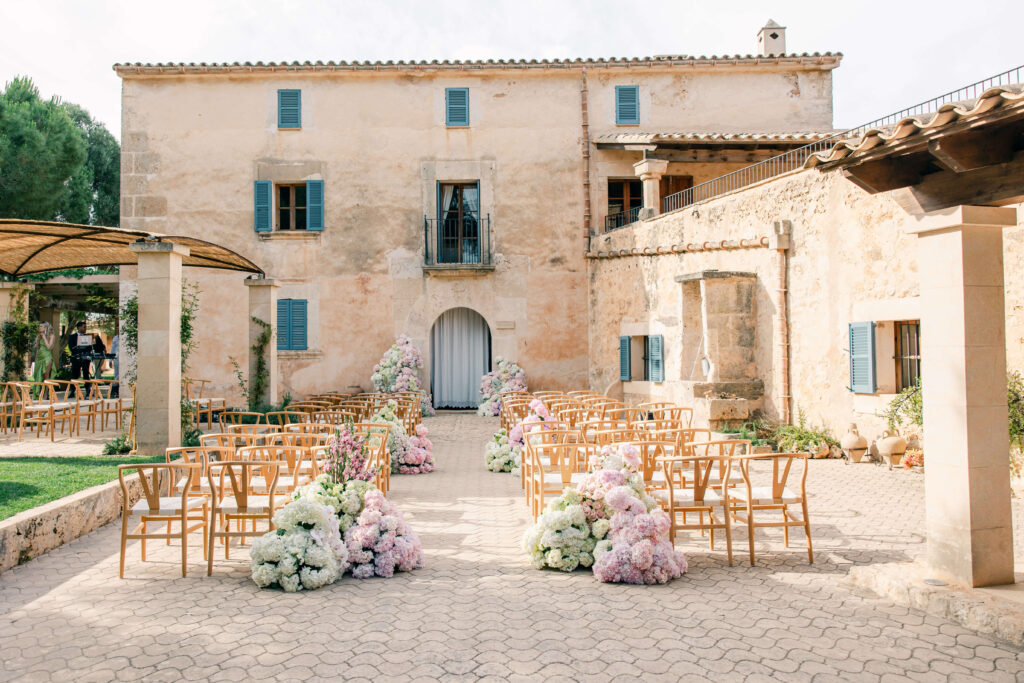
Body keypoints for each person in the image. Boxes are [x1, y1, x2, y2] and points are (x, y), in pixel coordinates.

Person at [110, 325, 120, 398]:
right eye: (117, 329)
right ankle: (114, 390)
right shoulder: (115, 338)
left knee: (120, 375)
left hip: (123, 357)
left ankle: (116, 389)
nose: (118, 330)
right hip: (116, 358)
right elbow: (113, 349)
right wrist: (110, 359)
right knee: (116, 374)